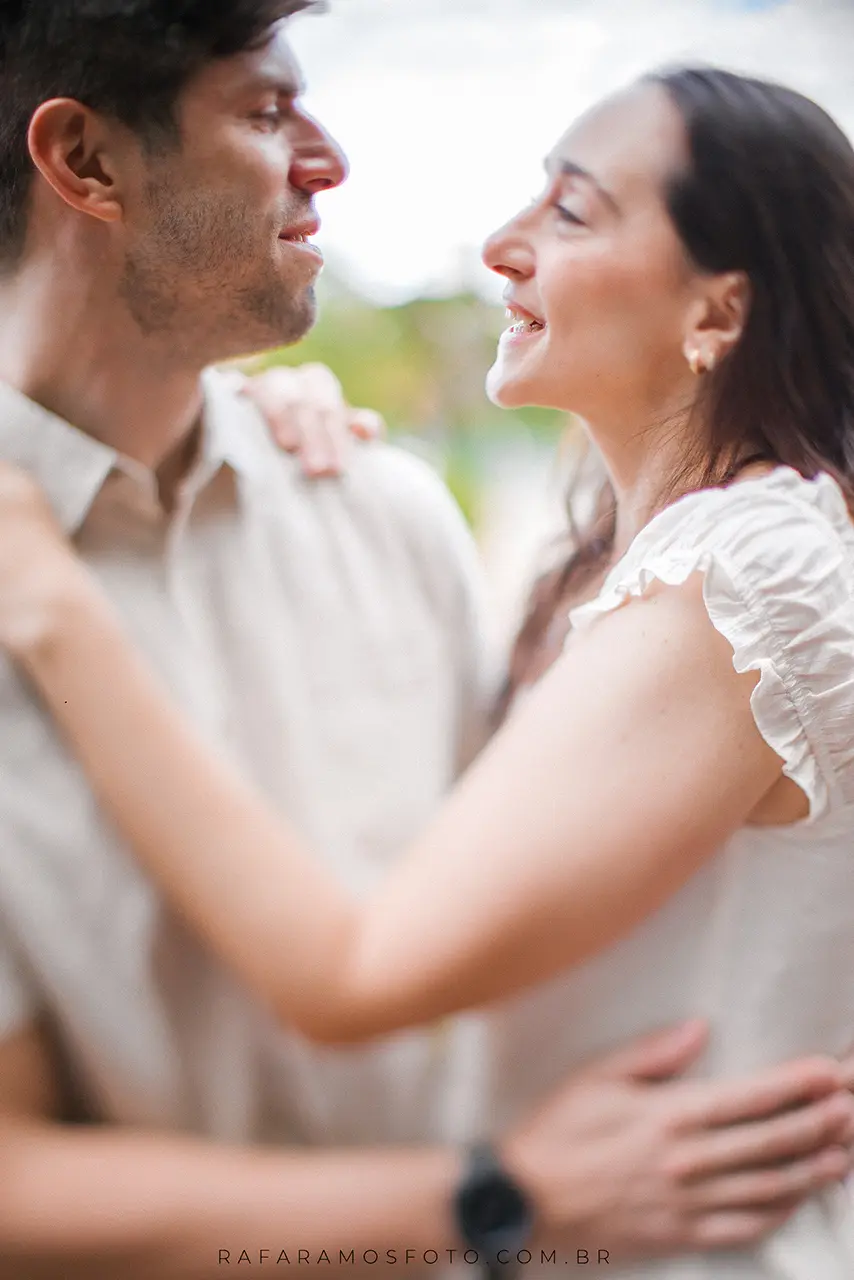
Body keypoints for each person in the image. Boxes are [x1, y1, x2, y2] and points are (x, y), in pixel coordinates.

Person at [0, 3, 851, 1276]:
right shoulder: (611, 581)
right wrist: (487, 1196)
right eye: (264, 110)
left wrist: (54, 608)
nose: (330, 158)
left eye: (570, 211)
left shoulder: (400, 523)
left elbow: (367, 972)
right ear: (86, 163)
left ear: (717, 311)